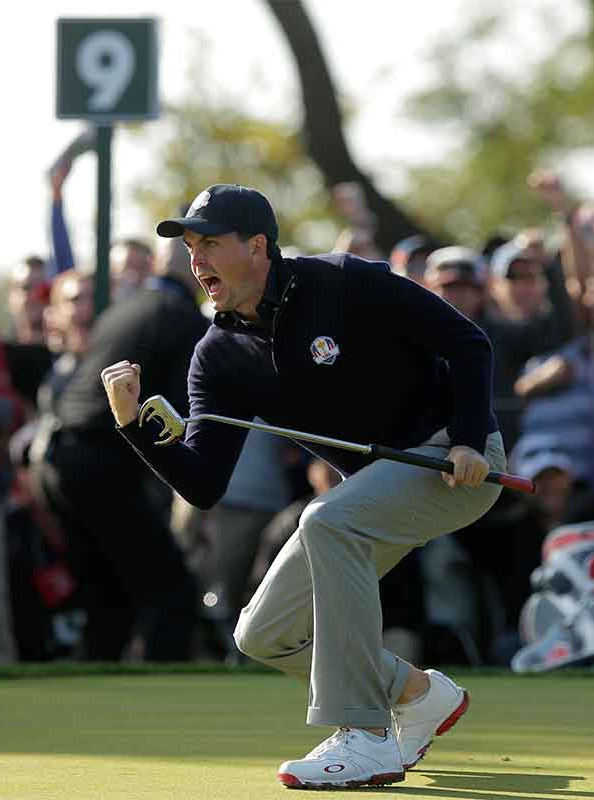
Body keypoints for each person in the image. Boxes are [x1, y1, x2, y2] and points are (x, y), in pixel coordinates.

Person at [101, 184, 505, 790]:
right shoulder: (217, 355)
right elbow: (204, 484)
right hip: (370, 491)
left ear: (258, 245)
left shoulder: (342, 280)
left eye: (210, 243)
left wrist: (471, 438)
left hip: (454, 461)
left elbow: (468, 341)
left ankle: (365, 735)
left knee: (324, 518)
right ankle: (419, 696)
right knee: (262, 633)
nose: (197, 261)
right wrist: (133, 426)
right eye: (190, 247)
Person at [35, 234, 206, 663]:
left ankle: (91, 698)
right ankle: (162, 706)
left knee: (108, 597)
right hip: (100, 462)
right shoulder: (180, 314)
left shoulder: (121, 311)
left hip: (60, 461)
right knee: (173, 593)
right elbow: (184, 414)